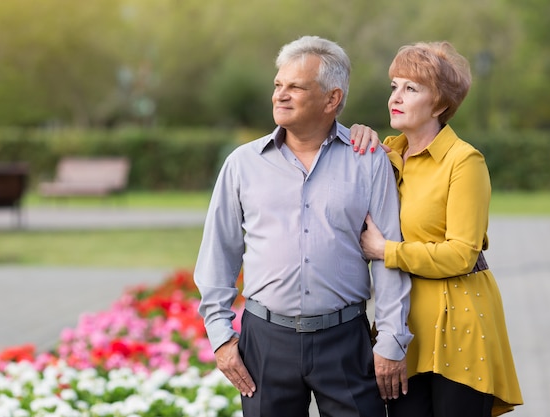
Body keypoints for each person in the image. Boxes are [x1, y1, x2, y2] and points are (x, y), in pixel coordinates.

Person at [194, 35, 413, 417]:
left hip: (346, 342)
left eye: (296, 86)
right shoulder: (242, 164)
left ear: (332, 99)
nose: (281, 94)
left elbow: (387, 256)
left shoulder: (369, 161)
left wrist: (391, 340)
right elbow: (218, 254)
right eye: (279, 85)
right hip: (265, 343)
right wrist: (220, 339)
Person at [352, 41, 523, 416]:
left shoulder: (465, 161)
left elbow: (463, 253)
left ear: (441, 104)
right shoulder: (384, 156)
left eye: (411, 89)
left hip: (458, 327)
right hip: (404, 327)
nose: (395, 97)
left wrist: (387, 251)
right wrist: (357, 132)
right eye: (394, 85)